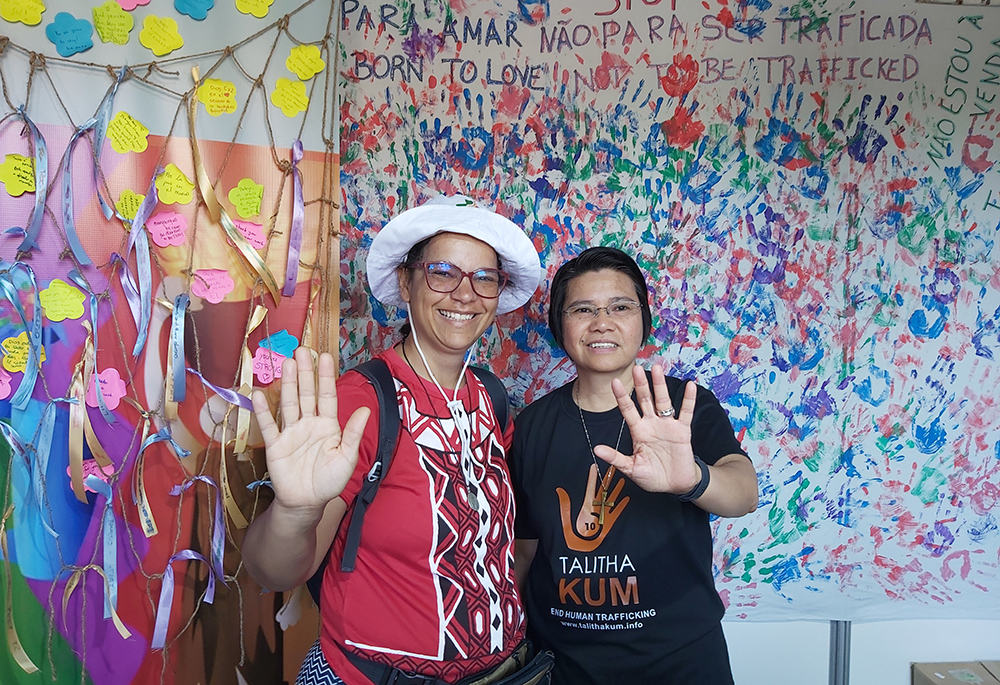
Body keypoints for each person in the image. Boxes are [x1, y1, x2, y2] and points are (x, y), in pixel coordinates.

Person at [242, 195, 549, 685]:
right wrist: (294, 513)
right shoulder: (360, 402)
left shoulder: (490, 396)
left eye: (484, 278)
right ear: (406, 282)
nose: (464, 294)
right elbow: (273, 573)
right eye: (443, 271)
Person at [509, 246, 759, 685]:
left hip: (681, 662)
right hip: (563, 665)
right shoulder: (531, 425)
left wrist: (694, 479)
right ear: (559, 326)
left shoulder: (683, 407)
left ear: (643, 320)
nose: (601, 322)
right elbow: (525, 550)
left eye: (620, 307)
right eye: (582, 309)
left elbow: (743, 493)